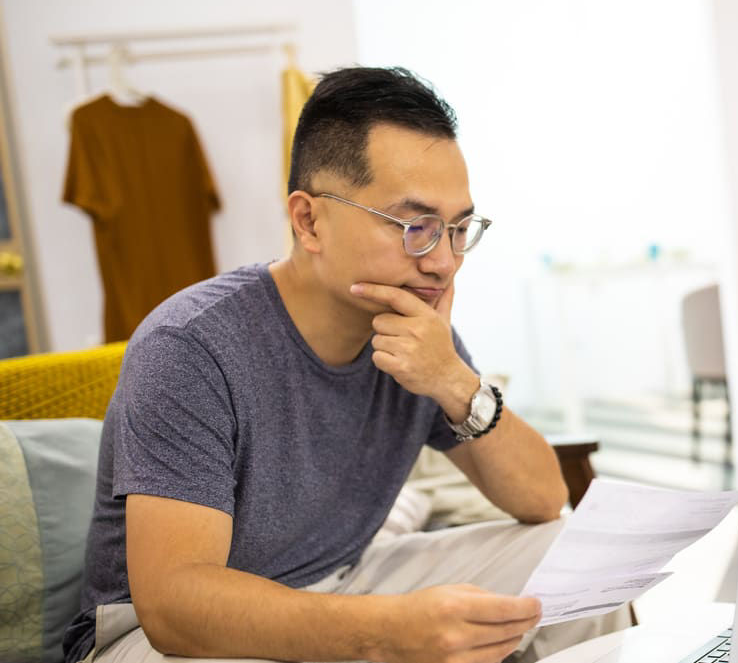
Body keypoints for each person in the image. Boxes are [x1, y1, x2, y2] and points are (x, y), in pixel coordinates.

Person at [64, 66, 629, 663]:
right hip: (159, 639)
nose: (443, 261)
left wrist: (454, 381)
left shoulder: (419, 335)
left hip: (339, 579)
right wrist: (384, 632)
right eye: (416, 226)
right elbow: (175, 607)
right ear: (309, 220)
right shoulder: (191, 345)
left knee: (577, 560)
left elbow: (542, 499)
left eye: (459, 228)